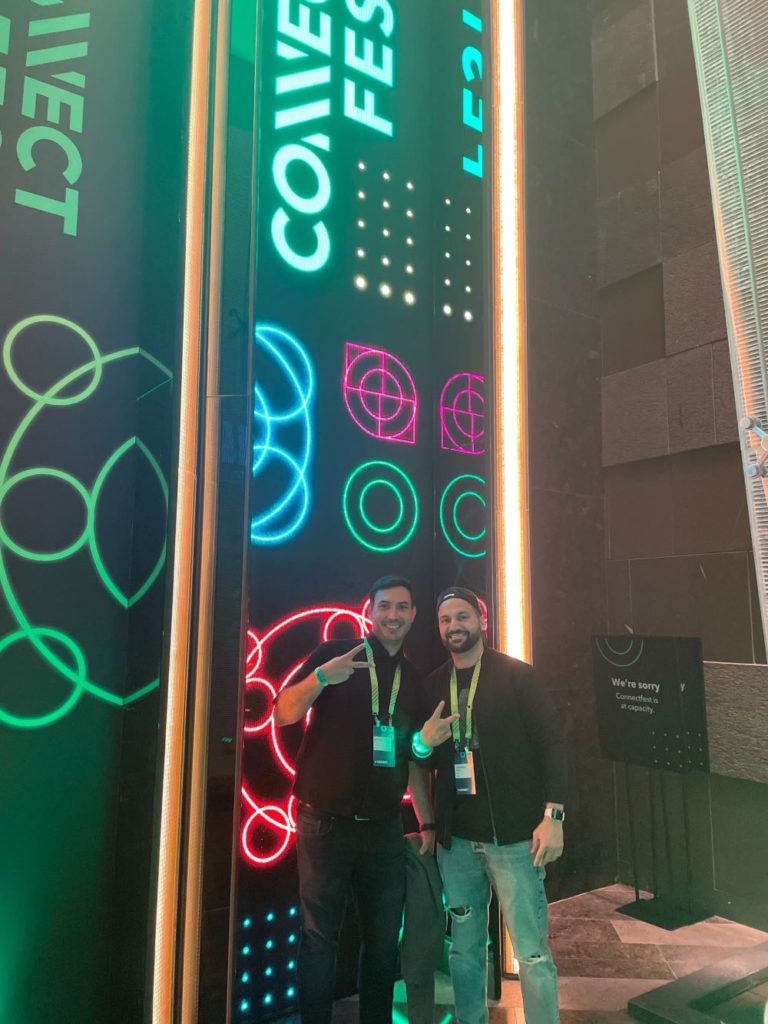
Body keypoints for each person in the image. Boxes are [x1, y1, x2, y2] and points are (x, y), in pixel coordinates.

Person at [274, 575, 433, 1024]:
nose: (394, 616)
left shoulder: (414, 679)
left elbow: (416, 758)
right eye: (385, 606)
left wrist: (427, 824)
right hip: (323, 823)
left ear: (414, 614)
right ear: (370, 611)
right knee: (318, 938)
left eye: (403, 607)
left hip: (383, 828)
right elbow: (283, 712)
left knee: (383, 940)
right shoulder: (334, 655)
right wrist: (323, 677)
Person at [413, 587, 566, 1024]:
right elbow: (416, 757)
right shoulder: (432, 685)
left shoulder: (518, 676)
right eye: (445, 620)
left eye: (462, 616)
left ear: (481, 619)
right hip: (456, 842)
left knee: (533, 954)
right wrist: (422, 742)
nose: (453, 626)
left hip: (515, 840)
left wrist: (553, 816)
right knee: (463, 951)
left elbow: (553, 745)